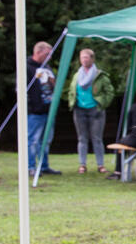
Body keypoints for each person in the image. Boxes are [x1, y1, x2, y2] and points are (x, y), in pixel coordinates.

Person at [67, 48, 114, 174]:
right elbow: (71, 91)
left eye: (86, 57)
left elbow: (109, 92)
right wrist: (72, 102)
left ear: (92, 59)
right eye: (82, 57)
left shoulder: (100, 75)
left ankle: (100, 165)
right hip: (79, 110)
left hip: (96, 110)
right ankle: (82, 165)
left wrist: (102, 104)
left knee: (97, 138)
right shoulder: (77, 75)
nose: (84, 60)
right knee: (82, 138)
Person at [26, 40, 61, 175]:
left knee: (46, 141)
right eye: (47, 54)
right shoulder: (27, 67)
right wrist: (32, 105)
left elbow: (53, 85)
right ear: (38, 52)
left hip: (49, 110)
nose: (49, 57)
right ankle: (31, 167)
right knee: (33, 140)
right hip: (35, 111)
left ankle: (44, 166)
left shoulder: (47, 67)